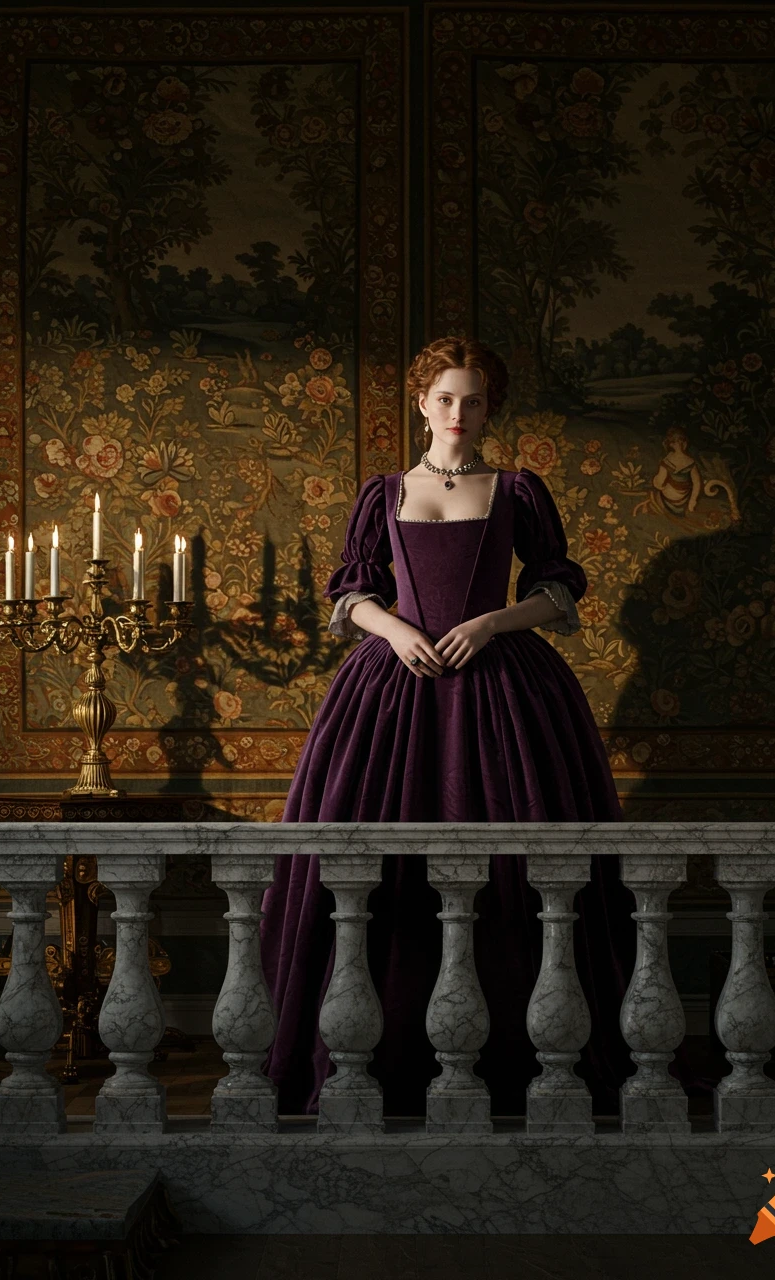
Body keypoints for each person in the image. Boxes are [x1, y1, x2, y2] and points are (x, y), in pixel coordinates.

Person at [260, 336, 636, 1118]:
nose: (459, 413)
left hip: (503, 693)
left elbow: (559, 585)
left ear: (489, 407)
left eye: (474, 400)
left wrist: (493, 623)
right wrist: (393, 632)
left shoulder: (518, 490)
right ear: (421, 402)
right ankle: (372, 1052)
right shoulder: (383, 493)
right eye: (446, 398)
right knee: (375, 871)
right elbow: (354, 589)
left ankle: (523, 1055)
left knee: (520, 866)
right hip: (393, 692)